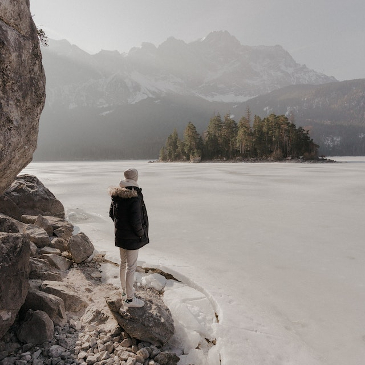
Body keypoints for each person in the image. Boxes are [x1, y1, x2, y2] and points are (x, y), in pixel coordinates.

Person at [109, 168, 149, 307]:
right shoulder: (135, 196)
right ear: (135, 178)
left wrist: (121, 227)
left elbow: (111, 214)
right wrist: (140, 233)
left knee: (123, 263)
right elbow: (136, 220)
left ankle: (124, 292)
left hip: (121, 235)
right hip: (132, 237)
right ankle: (130, 299)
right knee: (131, 267)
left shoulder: (117, 194)